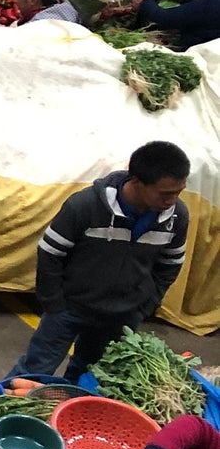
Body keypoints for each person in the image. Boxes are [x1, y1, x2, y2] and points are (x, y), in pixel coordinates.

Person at [11, 142, 189, 381]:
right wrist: (54, 304)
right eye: (166, 193)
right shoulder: (85, 206)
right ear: (136, 181)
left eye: (178, 192)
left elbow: (170, 264)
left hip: (121, 317)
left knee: (89, 380)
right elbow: (50, 253)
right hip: (69, 309)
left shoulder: (177, 217)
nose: (172, 200)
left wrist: (144, 306)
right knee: (32, 372)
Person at [133, 0, 220, 48]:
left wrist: (143, 3)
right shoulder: (214, 0)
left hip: (198, 55)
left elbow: (166, 19)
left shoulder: (214, 1)